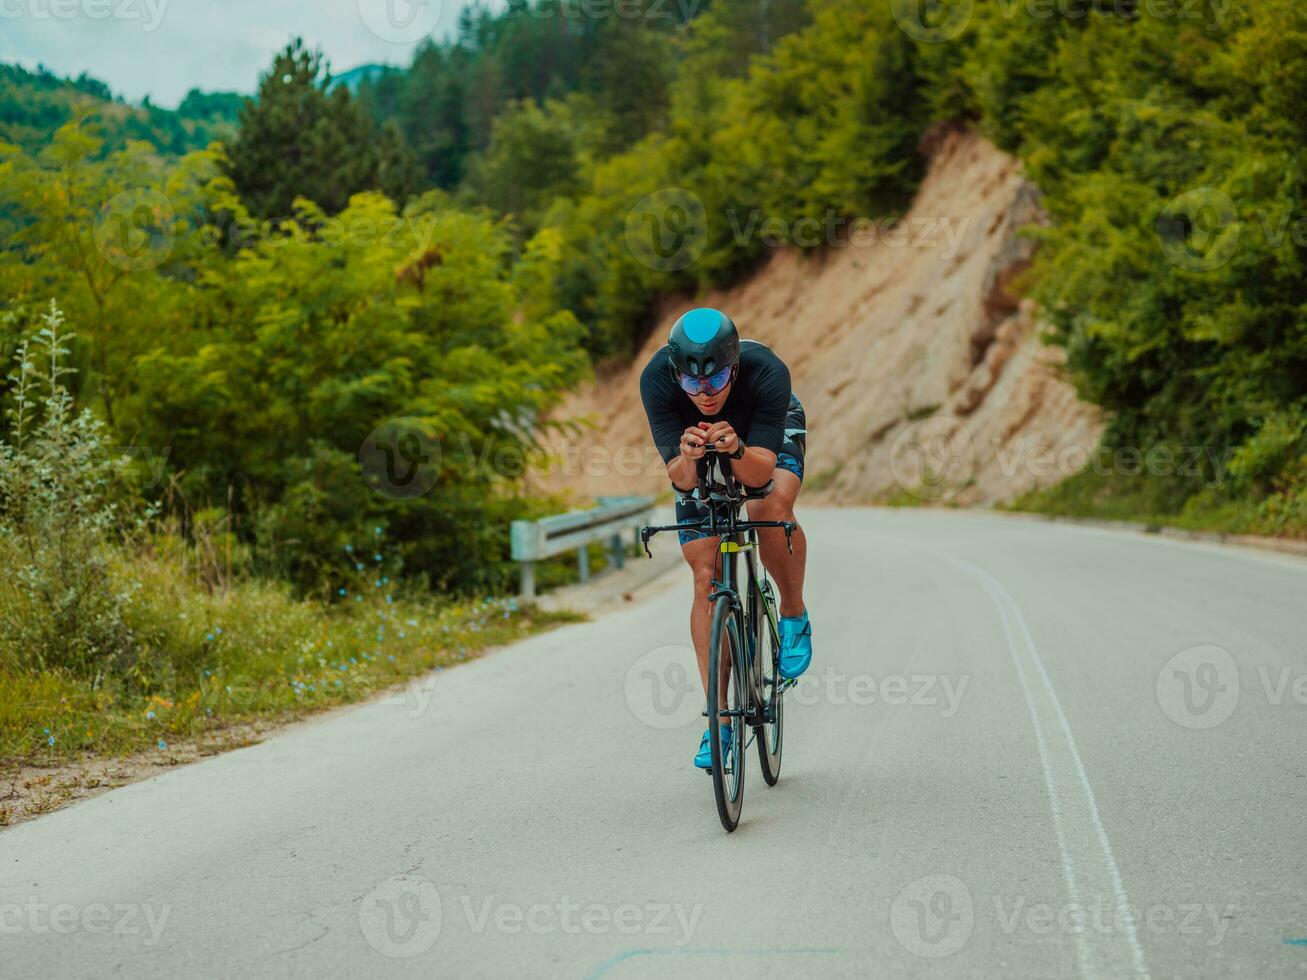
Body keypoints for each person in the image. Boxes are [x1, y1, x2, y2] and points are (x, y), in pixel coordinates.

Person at [638, 307, 812, 769]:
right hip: (696, 453)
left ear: (733, 368)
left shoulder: (767, 372)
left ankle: (793, 613)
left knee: (765, 509)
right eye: (692, 385)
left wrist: (734, 447)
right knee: (704, 576)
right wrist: (690, 459)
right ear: (677, 375)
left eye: (714, 382)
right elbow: (679, 481)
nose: (704, 394)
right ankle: (718, 723)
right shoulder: (656, 380)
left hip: (757, 437)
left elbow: (759, 477)